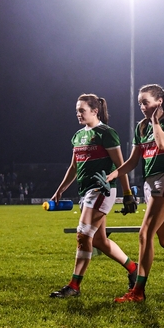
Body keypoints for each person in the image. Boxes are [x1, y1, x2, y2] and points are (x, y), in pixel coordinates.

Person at [103, 84, 164, 303]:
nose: (142, 107)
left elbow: (163, 144)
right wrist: (112, 175)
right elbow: (133, 161)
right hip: (150, 184)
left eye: (146, 102)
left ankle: (139, 292)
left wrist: (155, 121)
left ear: (159, 101)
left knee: (145, 234)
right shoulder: (141, 127)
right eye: (140, 103)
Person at [49, 94, 139, 298]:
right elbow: (74, 166)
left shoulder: (106, 133)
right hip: (86, 191)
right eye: (77, 111)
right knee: (99, 240)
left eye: (82, 110)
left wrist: (127, 194)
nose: (78, 114)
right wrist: (60, 189)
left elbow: (121, 165)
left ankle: (74, 286)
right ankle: (135, 269)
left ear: (95, 111)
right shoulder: (78, 136)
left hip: (102, 190)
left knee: (82, 235)